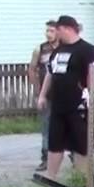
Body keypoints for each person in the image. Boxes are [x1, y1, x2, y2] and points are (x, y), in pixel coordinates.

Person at [37, 16, 94, 180]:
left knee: (81, 143)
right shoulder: (58, 51)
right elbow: (50, 74)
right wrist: (43, 95)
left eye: (57, 30)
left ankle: (82, 180)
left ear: (67, 29)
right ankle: (51, 177)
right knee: (54, 143)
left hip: (78, 105)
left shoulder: (88, 50)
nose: (55, 34)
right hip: (58, 105)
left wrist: (91, 95)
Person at [28, 20, 59, 171]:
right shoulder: (40, 49)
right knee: (47, 127)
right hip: (46, 95)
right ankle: (45, 158)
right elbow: (32, 69)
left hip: (63, 93)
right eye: (47, 31)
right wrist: (38, 90)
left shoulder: (64, 48)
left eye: (52, 31)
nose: (48, 34)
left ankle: (75, 157)